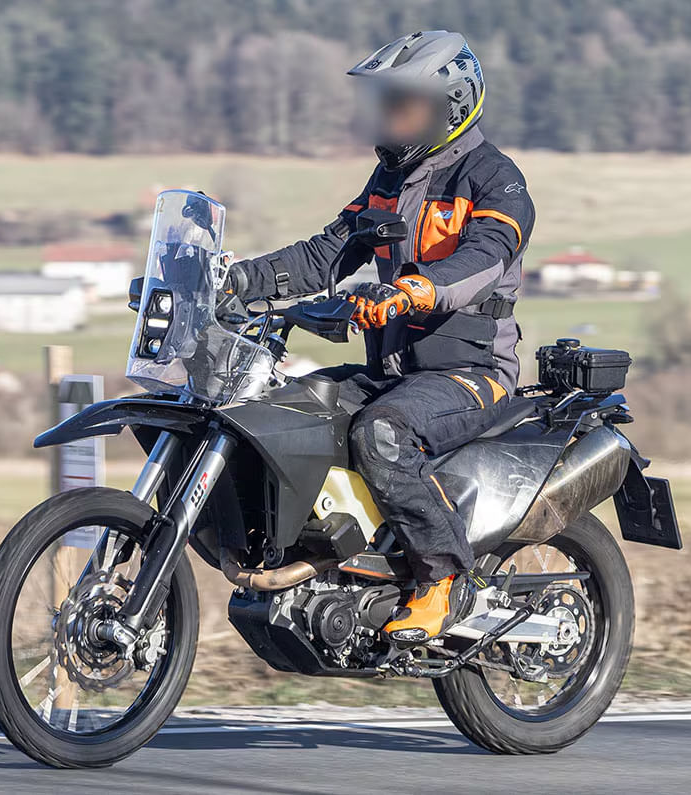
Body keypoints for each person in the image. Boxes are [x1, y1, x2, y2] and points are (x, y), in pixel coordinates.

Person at [227, 30, 535, 643]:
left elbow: (486, 257)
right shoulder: (388, 181)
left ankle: (444, 579)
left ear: (451, 105)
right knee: (281, 413)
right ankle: (325, 557)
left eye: (404, 103)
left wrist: (416, 289)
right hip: (393, 373)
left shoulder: (494, 179)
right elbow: (323, 255)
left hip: (470, 375)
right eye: (386, 102)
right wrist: (233, 280)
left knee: (382, 433)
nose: (390, 115)